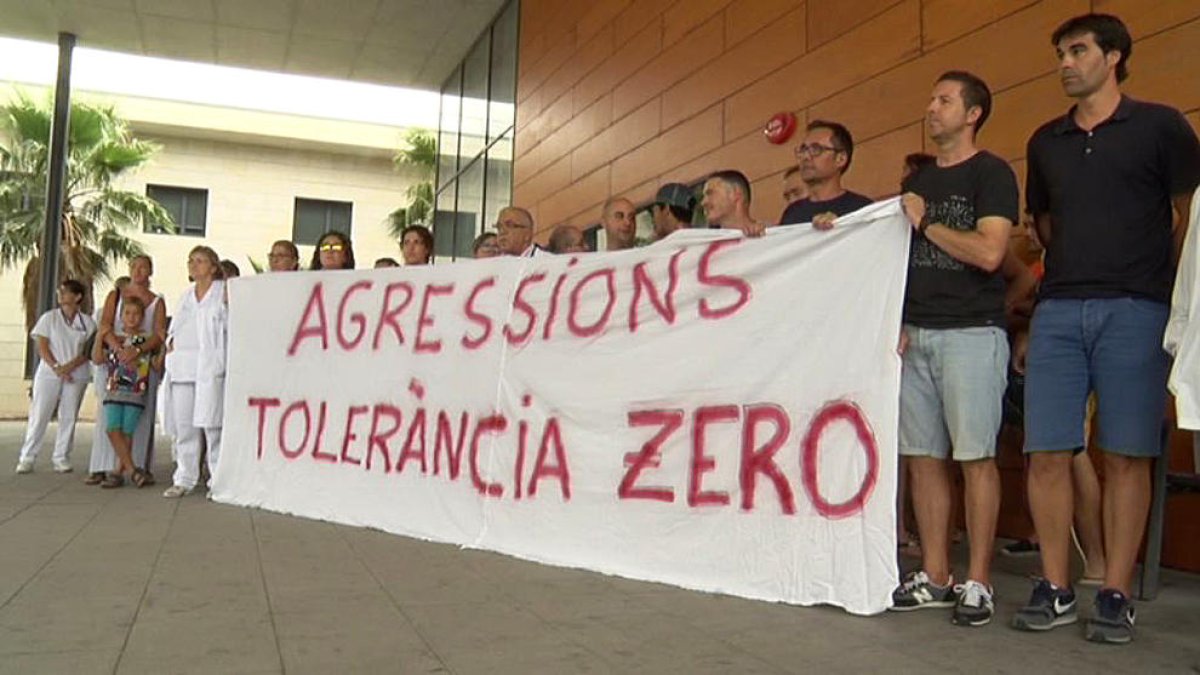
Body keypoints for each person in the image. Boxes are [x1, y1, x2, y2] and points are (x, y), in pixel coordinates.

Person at [1013, 13, 1200, 643]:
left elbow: (1187, 217)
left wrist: (1167, 297)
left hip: (1138, 308)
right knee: (1047, 453)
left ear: (1113, 56)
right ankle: (1057, 586)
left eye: (1078, 50)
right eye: (1060, 52)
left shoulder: (1161, 127)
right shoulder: (1045, 141)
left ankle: (1115, 592)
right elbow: (1043, 226)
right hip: (1060, 309)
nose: (1065, 62)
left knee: (1126, 456)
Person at [889, 71, 1017, 628]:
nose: (931, 107)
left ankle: (979, 580)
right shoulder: (917, 180)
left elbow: (990, 253)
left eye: (945, 100)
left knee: (976, 459)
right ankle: (936, 575)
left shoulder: (991, 174)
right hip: (917, 333)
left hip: (971, 332)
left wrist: (928, 221)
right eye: (931, 96)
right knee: (923, 459)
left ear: (973, 113)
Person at [87, 255, 166, 485]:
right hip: (116, 362)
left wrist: (138, 350)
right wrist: (119, 348)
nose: (139, 271)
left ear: (150, 271)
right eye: (135, 267)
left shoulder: (156, 301)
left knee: (138, 418)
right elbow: (105, 326)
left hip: (140, 366)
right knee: (110, 418)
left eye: (144, 267)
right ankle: (107, 466)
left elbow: (159, 333)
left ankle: (133, 466)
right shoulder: (117, 295)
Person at [162, 246, 229, 498]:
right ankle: (184, 477)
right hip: (183, 368)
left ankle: (217, 480)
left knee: (212, 427)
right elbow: (176, 327)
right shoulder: (186, 295)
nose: (194, 265)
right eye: (191, 261)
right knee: (185, 427)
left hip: (210, 368)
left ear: (213, 266)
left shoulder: (223, 292)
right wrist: (170, 345)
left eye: (200, 261)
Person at [14, 280, 96, 474]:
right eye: (60, 291)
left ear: (77, 297)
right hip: (49, 373)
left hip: (76, 373)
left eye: (65, 292)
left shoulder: (88, 322)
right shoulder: (49, 318)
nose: (61, 295)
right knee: (40, 413)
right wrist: (57, 367)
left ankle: (61, 457)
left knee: (68, 415)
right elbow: (42, 346)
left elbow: (87, 351)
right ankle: (27, 457)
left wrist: (68, 368)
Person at [99, 296, 154, 488]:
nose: (131, 318)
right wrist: (101, 335)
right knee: (112, 429)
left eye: (136, 314)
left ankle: (118, 471)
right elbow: (97, 358)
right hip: (114, 389)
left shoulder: (145, 339)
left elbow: (154, 362)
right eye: (127, 313)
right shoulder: (114, 337)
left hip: (135, 390)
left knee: (127, 431)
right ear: (121, 316)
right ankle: (132, 470)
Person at [779, 120, 873, 229]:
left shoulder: (863, 210)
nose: (805, 157)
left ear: (841, 159)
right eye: (803, 149)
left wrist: (840, 226)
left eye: (816, 149)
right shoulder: (792, 213)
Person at [701, 170, 766, 237]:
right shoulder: (704, 243)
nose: (703, 202)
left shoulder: (771, 237)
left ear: (736, 194)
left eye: (710, 193)